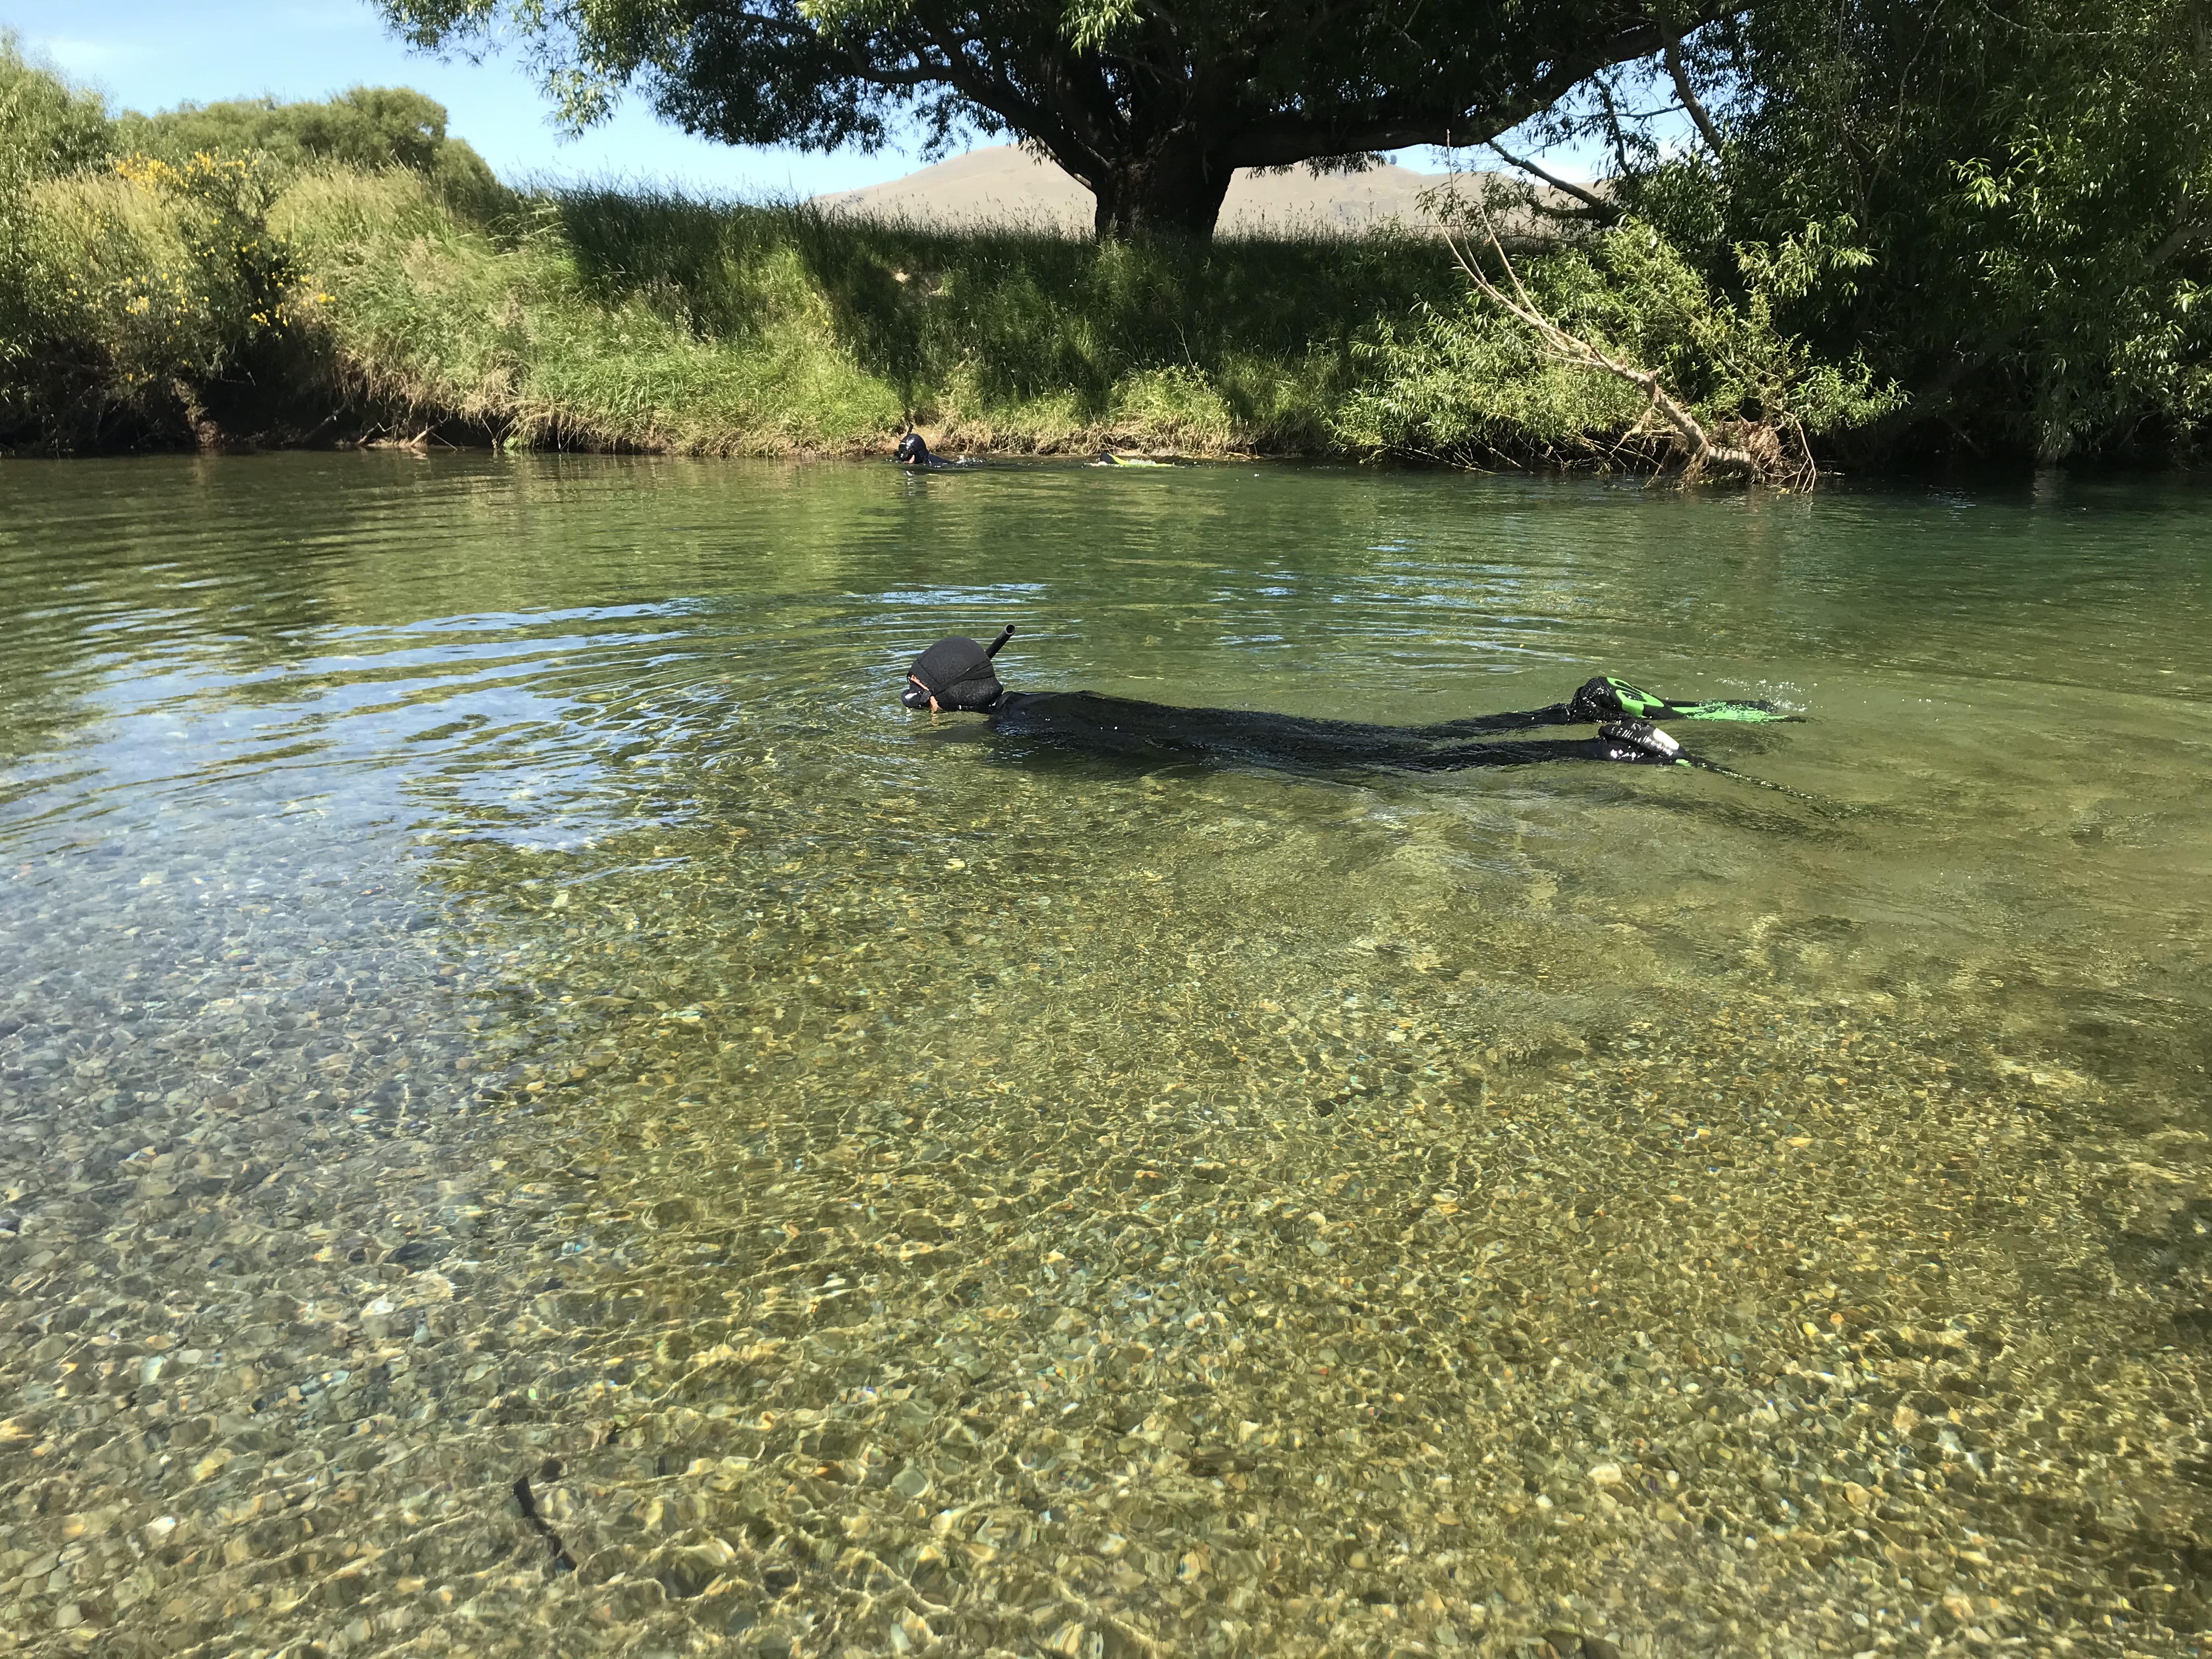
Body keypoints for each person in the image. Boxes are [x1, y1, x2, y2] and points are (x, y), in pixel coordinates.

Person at [898, 630, 1789, 772]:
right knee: (1406, 739)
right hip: (1234, 731)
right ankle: (1574, 709)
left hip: (1229, 747)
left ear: (944, 703)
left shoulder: (1022, 737)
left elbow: (1134, 765)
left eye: (914, 695)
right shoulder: (1043, 698)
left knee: (1408, 769)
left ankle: (1603, 746)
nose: (910, 704)